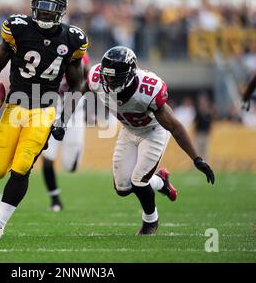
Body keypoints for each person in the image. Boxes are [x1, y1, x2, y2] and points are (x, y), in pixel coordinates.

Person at [0, 0, 88, 241]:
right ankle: (1, 211)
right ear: (33, 7)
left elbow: (77, 85)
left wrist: (63, 121)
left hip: (44, 110)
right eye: (41, 8)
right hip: (14, 107)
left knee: (22, 166)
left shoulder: (73, 39)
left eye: (50, 10)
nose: (44, 14)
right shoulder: (18, 28)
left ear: (61, 12)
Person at [87, 46, 215, 235]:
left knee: (138, 181)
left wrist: (196, 158)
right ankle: (160, 181)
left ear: (130, 74)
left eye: (117, 77)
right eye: (108, 76)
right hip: (128, 131)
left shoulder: (147, 89)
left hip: (153, 131)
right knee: (122, 188)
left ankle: (150, 221)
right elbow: (79, 88)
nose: (111, 81)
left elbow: (174, 126)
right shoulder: (96, 78)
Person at [41, 53, 90, 212]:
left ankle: (74, 156)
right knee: (47, 158)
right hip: (53, 112)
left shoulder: (80, 60)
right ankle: (55, 199)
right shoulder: (48, 59)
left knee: (70, 167)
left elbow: (88, 83)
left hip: (74, 114)